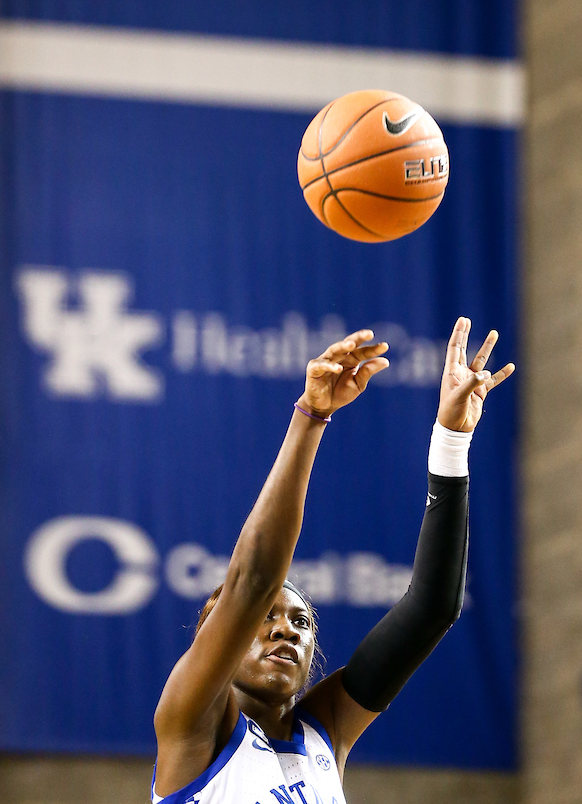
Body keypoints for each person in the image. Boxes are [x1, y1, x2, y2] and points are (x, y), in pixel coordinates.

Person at [152, 316, 514, 804]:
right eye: (265, 618)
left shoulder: (324, 732)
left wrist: (451, 442)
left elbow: (432, 608)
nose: (286, 630)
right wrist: (311, 414)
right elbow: (254, 578)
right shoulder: (191, 722)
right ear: (214, 637)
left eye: (301, 622)